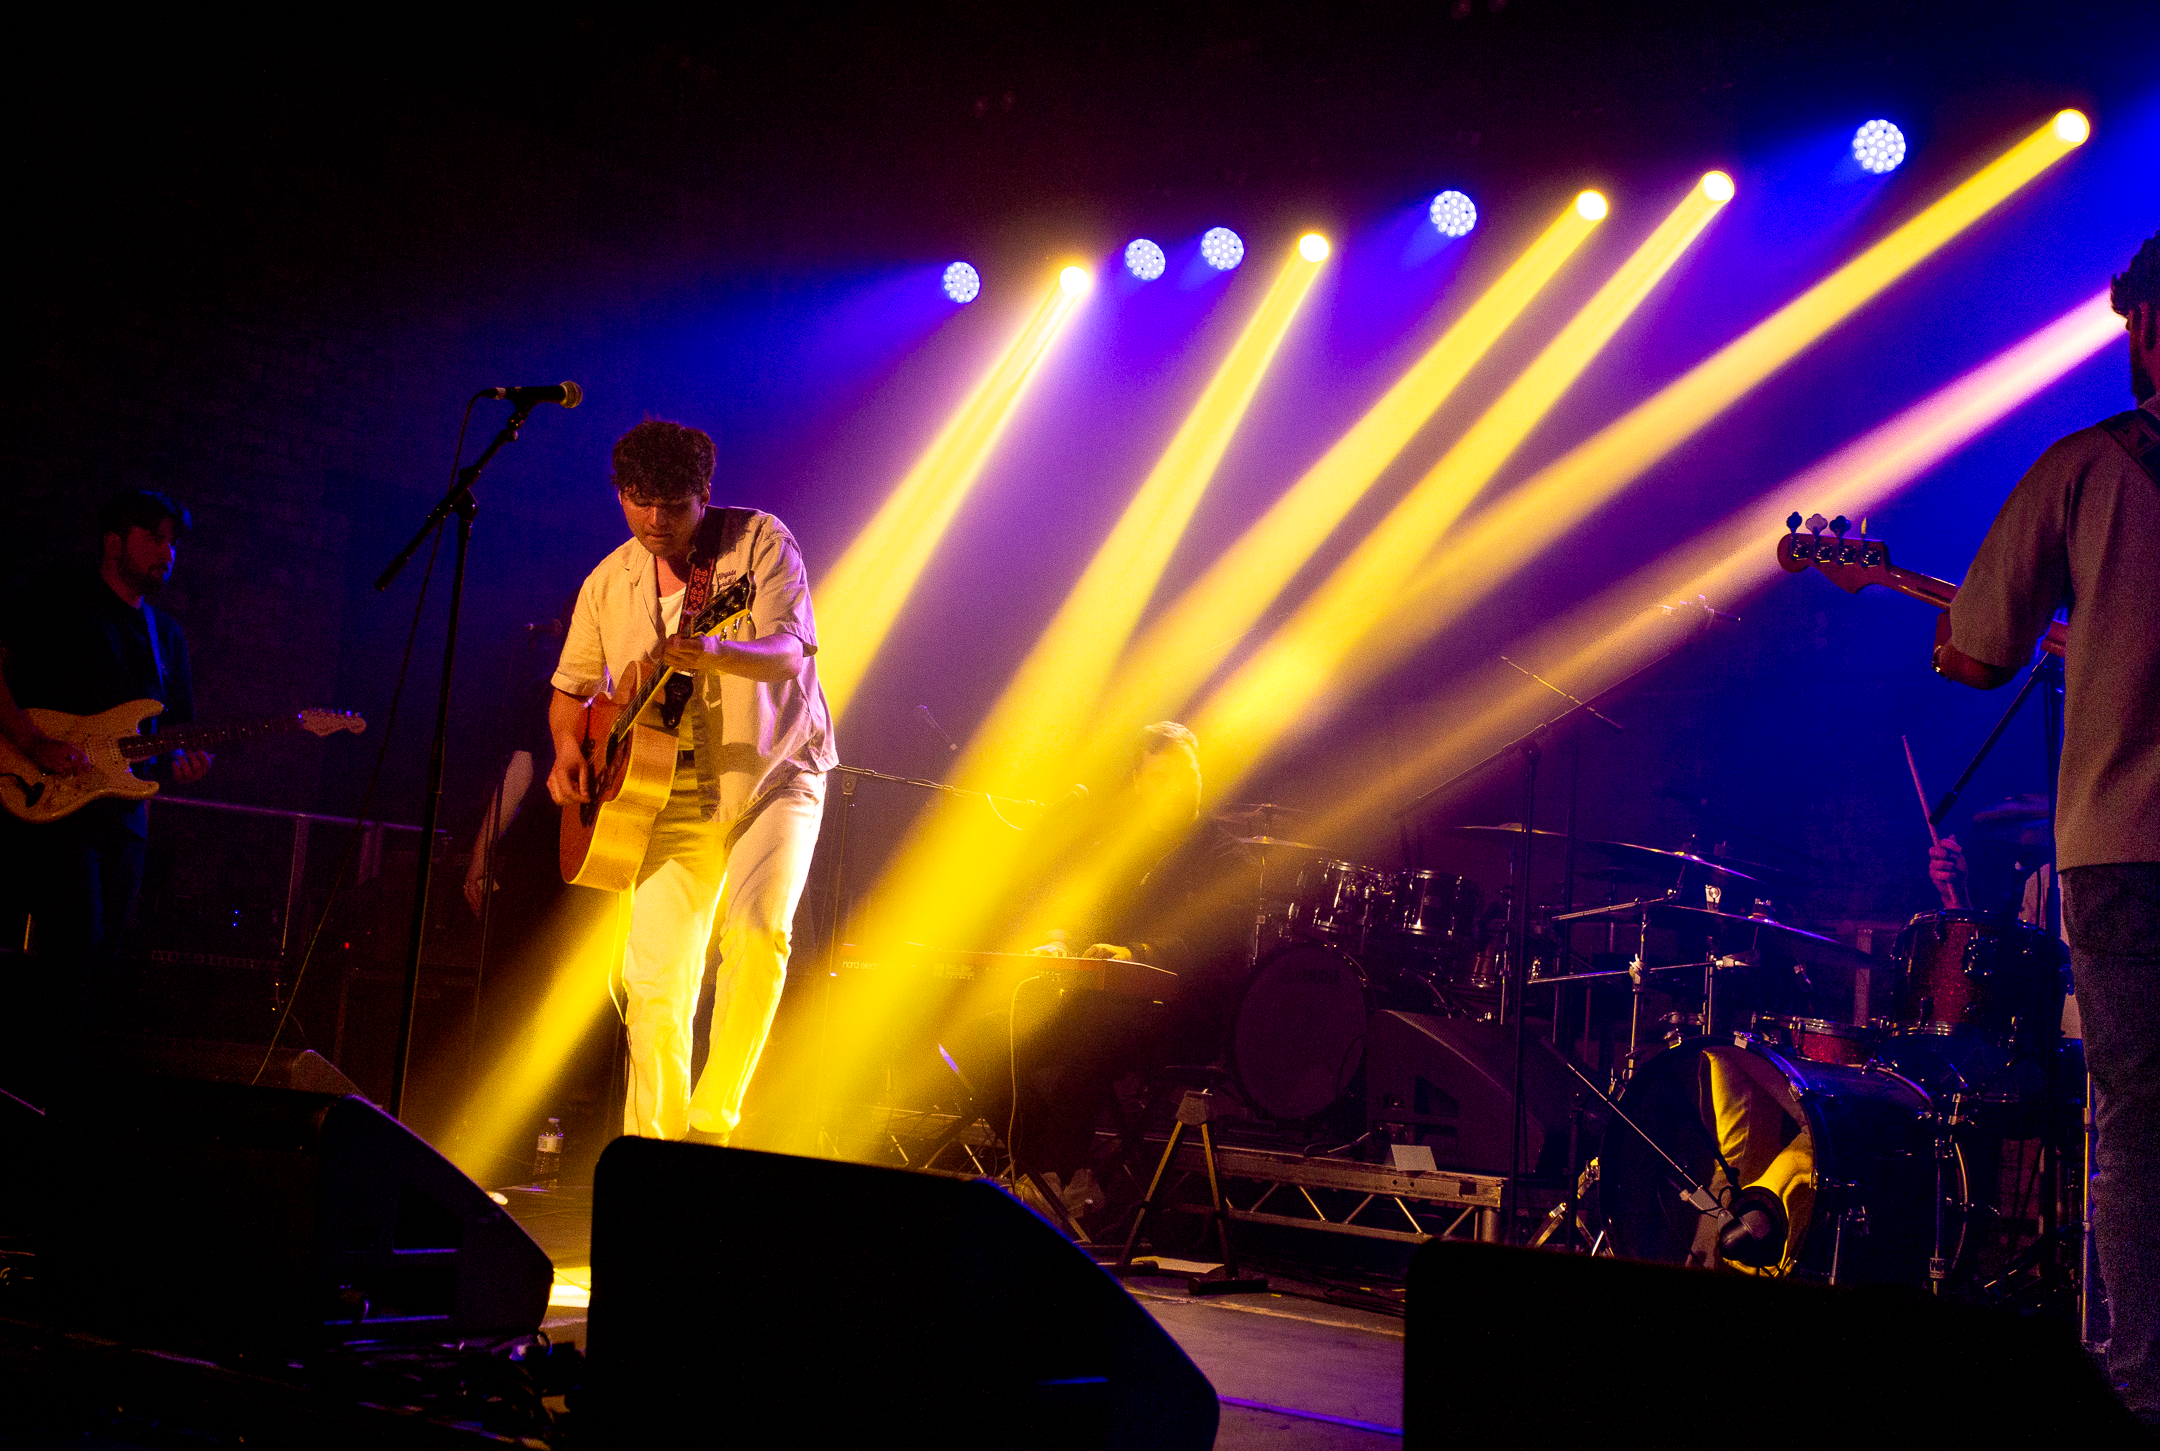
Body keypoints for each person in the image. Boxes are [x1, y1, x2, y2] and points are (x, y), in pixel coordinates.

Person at [1932, 233, 2160, 1426]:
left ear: (2148, 332)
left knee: (2134, 1115)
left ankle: (2140, 1387)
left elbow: (1976, 648)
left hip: (2124, 846)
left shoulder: (2084, 469)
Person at [545, 420, 834, 1144]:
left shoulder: (760, 541)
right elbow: (571, 691)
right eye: (638, 502)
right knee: (655, 983)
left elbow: (788, 652)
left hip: (774, 772)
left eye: (672, 506)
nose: (653, 521)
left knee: (760, 931)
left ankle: (713, 1120)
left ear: (704, 496)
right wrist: (564, 752)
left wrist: (711, 649)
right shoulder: (607, 582)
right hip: (662, 792)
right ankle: (653, 1155)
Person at [0, 491, 213, 1096]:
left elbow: (169, 740)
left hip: (124, 822)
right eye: (154, 536)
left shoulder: (165, 635)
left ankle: (59, 1098)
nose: (167, 552)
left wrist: (183, 763)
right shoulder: (59, 596)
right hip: (49, 800)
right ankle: (32, 1091)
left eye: (173, 541)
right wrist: (33, 741)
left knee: (103, 962)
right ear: (113, 540)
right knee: (73, 945)